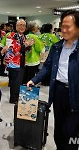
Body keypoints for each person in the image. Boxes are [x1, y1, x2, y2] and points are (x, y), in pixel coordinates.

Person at [27, 10, 79, 150]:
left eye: (68, 27)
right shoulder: (57, 47)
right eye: (62, 26)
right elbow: (47, 67)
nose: (63, 30)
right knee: (59, 129)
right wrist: (34, 79)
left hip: (76, 93)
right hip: (58, 91)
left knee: (72, 133)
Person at [0, 19, 33, 104]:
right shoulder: (11, 35)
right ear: (16, 26)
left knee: (18, 82)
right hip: (13, 63)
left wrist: (29, 46)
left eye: (23, 25)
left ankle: (16, 97)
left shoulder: (24, 36)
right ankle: (13, 99)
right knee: (15, 82)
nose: (22, 27)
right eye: (20, 25)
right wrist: (25, 45)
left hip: (21, 62)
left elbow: (25, 50)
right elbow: (14, 49)